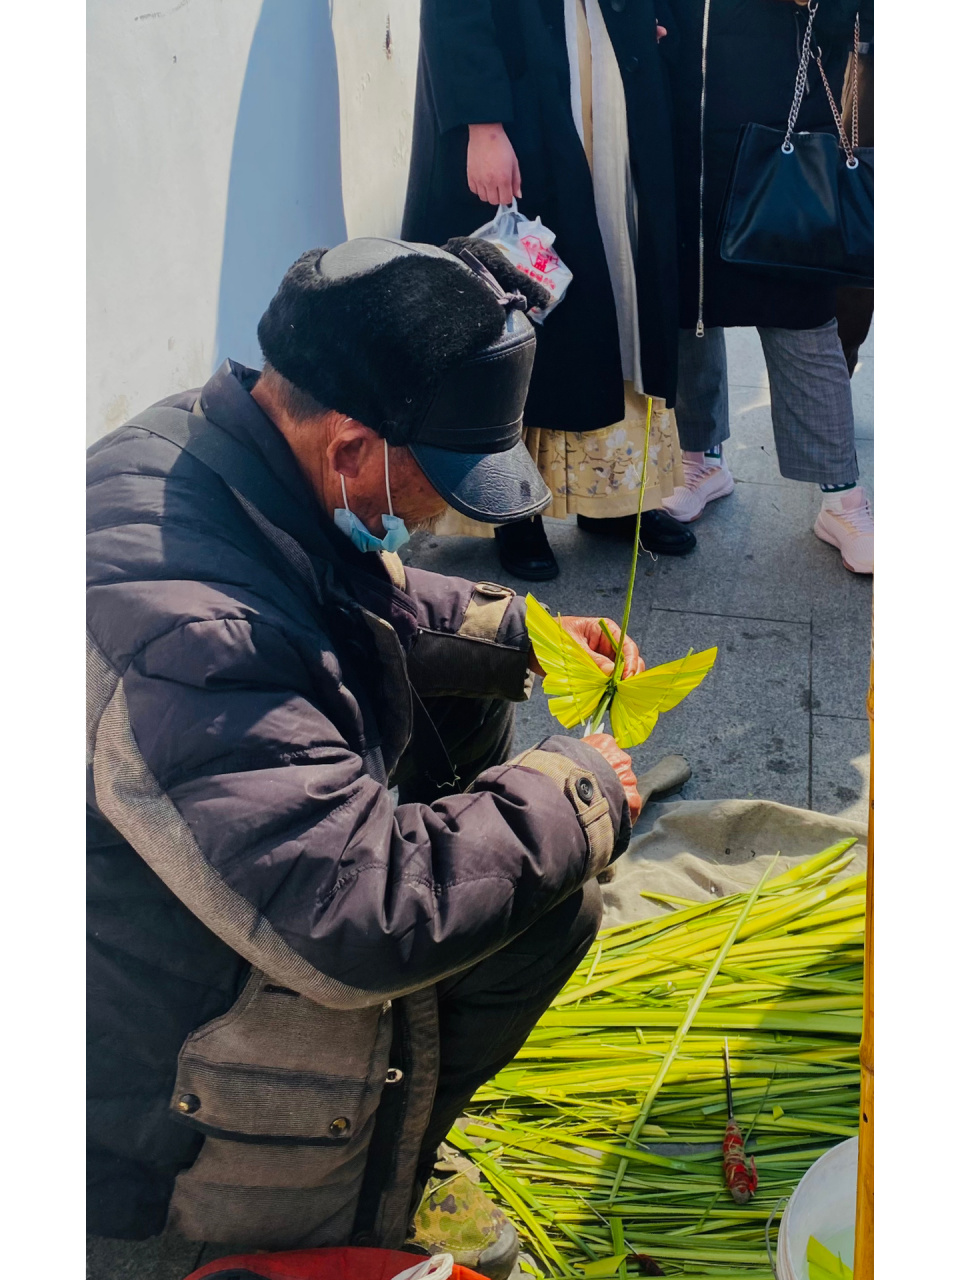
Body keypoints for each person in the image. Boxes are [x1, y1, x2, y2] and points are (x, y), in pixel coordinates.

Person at [86, 236, 646, 1276]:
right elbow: (356, 915)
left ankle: (394, 1154)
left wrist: (517, 636)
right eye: (439, 485)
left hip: (199, 884)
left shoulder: (228, 447)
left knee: (527, 877)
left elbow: (360, 595)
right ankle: (277, 1220)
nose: (431, 518)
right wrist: (574, 794)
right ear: (352, 448)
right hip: (139, 1074)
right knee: (524, 894)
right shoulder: (194, 633)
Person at [402, 0, 695, 581]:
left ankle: (611, 498)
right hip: (525, 85)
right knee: (529, 301)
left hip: (605, 66)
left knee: (614, 279)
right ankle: (511, 509)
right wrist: (482, 125)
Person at [660, 0, 874, 575]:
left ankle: (843, 498)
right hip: (678, 120)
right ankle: (701, 459)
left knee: (800, 314)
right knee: (689, 306)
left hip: (781, 123)